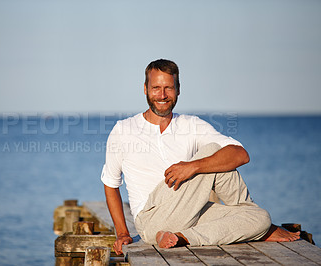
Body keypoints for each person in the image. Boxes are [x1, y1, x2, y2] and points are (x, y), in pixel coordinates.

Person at [101, 59, 300, 255]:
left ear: (178, 90)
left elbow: (241, 154)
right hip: (152, 219)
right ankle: (255, 230)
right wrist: (122, 233)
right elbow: (111, 183)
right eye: (156, 88)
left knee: (260, 218)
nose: (162, 95)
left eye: (169, 88)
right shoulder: (123, 130)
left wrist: (193, 166)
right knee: (213, 150)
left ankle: (183, 237)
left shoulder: (191, 125)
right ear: (145, 89)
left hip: (191, 214)